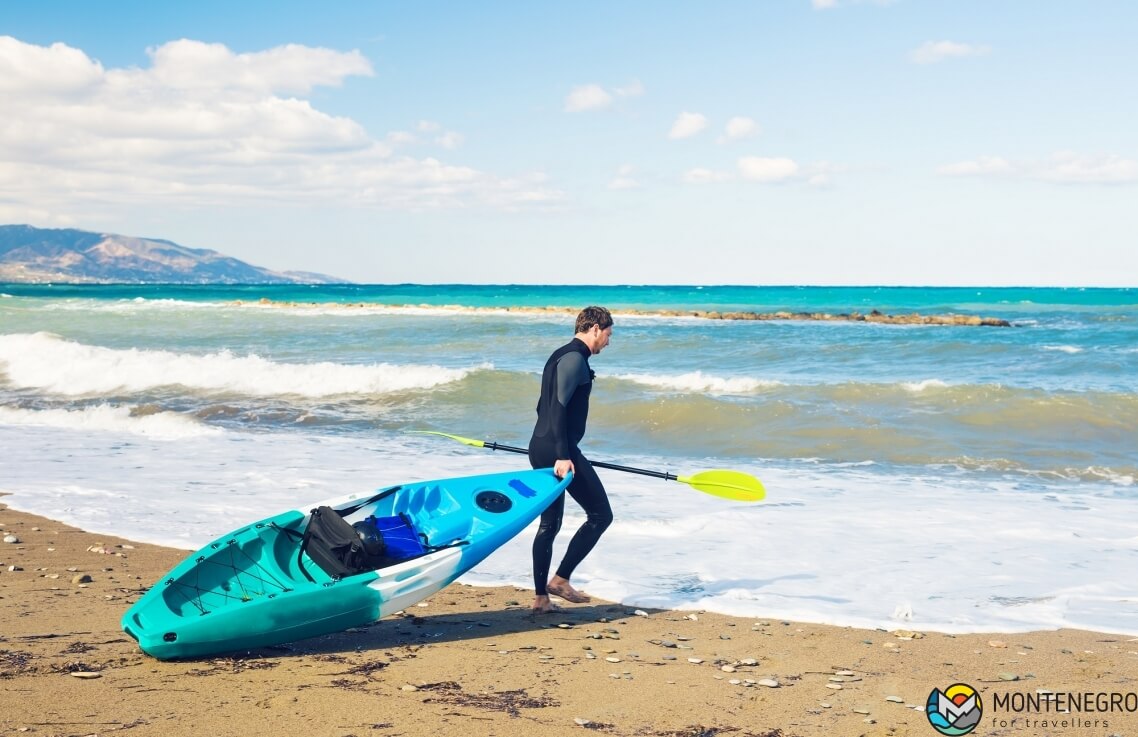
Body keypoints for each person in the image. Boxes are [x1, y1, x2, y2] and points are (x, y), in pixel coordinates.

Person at [528, 305, 614, 614]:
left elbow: (542, 407)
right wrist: (563, 454)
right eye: (608, 334)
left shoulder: (559, 355)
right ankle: (560, 580)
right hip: (558, 451)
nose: (608, 341)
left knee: (549, 524)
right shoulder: (576, 359)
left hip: (543, 446)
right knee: (601, 515)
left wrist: (550, 448)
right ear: (594, 329)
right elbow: (559, 409)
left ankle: (542, 598)